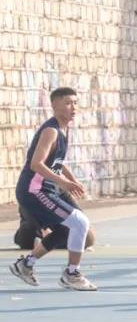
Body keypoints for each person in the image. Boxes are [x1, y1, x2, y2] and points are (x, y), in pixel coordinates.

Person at [9, 88, 97, 291]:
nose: (73, 107)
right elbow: (36, 164)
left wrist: (71, 178)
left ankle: (25, 264)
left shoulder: (64, 130)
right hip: (34, 190)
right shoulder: (51, 131)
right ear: (55, 105)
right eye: (68, 103)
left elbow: (56, 161)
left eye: (75, 103)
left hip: (45, 189)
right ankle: (72, 274)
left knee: (65, 230)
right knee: (80, 223)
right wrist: (63, 183)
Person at [14, 199, 96, 251]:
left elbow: (78, 214)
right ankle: (45, 242)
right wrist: (43, 229)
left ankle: (51, 243)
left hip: (59, 228)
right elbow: (28, 215)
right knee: (26, 229)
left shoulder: (62, 192)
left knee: (87, 236)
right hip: (37, 228)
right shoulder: (27, 195)